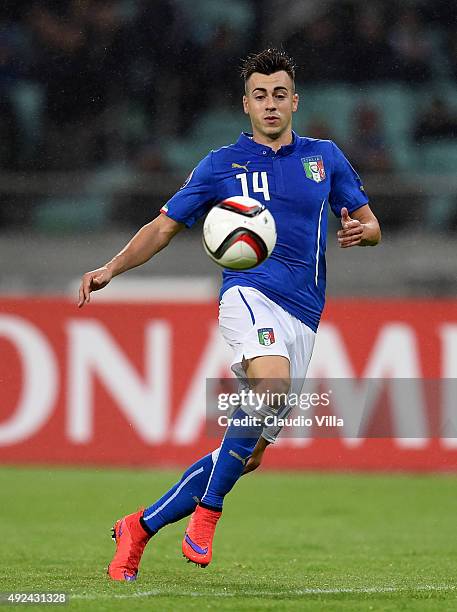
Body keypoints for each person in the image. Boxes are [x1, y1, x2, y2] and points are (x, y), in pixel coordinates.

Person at [78, 48, 381, 581]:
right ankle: (209, 513)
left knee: (249, 453)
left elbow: (369, 221)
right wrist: (111, 268)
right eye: (260, 95)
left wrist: (363, 232)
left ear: (295, 101)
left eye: (279, 94)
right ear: (245, 104)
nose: (270, 104)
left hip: (305, 313)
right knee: (269, 390)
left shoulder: (324, 157)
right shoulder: (222, 165)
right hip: (247, 294)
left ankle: (139, 527)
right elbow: (165, 226)